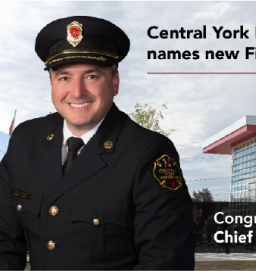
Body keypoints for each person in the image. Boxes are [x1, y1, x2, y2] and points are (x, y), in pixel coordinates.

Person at [0, 16, 194, 270]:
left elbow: (167, 260)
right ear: (51, 83)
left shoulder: (148, 152)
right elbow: (3, 240)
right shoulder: (25, 140)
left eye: (92, 76)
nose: (77, 92)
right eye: (64, 77)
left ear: (114, 83)